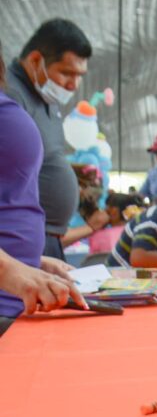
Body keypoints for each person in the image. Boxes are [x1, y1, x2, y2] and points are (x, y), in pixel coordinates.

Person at [0, 36, 86, 336]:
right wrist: (9, 270)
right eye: (67, 73)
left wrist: (27, 261)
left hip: (17, 304)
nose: (72, 85)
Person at [4, 19, 92, 260]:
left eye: (80, 75)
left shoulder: (47, 101)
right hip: (14, 249)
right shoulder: (10, 96)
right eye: (66, 73)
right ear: (35, 60)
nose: (73, 84)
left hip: (46, 243)